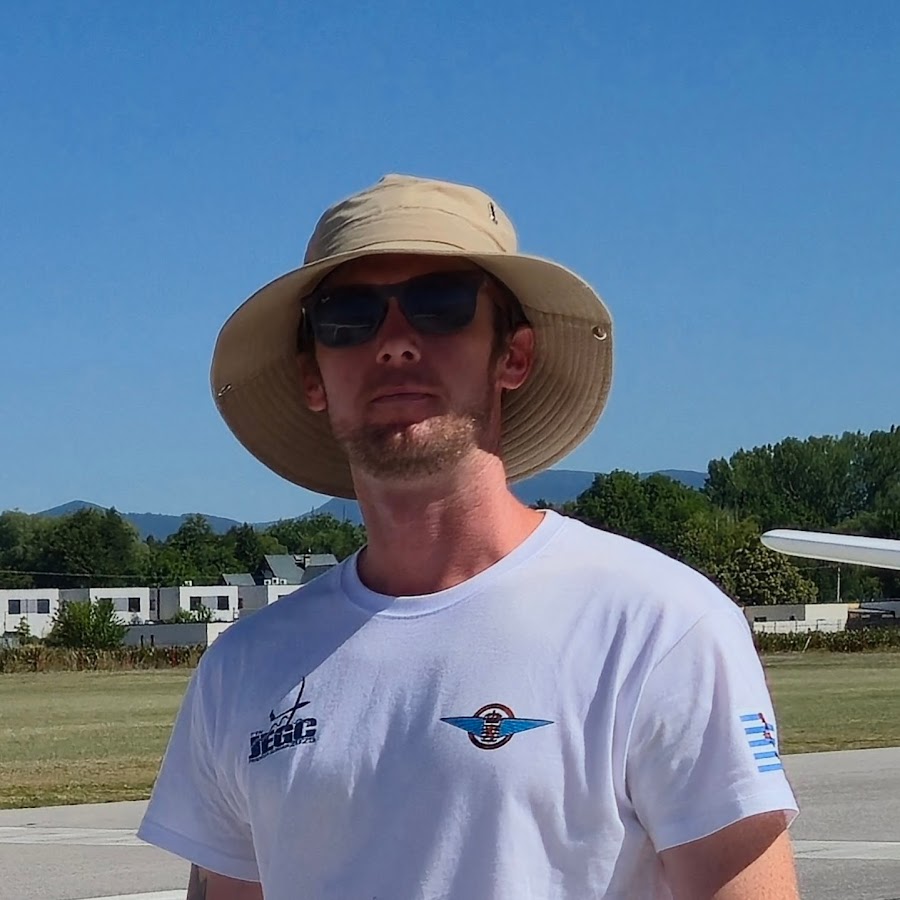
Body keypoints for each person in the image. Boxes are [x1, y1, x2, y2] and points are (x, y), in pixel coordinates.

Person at [138, 174, 800, 899]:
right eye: (348, 317)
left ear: (513, 356)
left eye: (440, 306)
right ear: (313, 377)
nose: (395, 343)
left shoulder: (658, 626)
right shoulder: (243, 668)